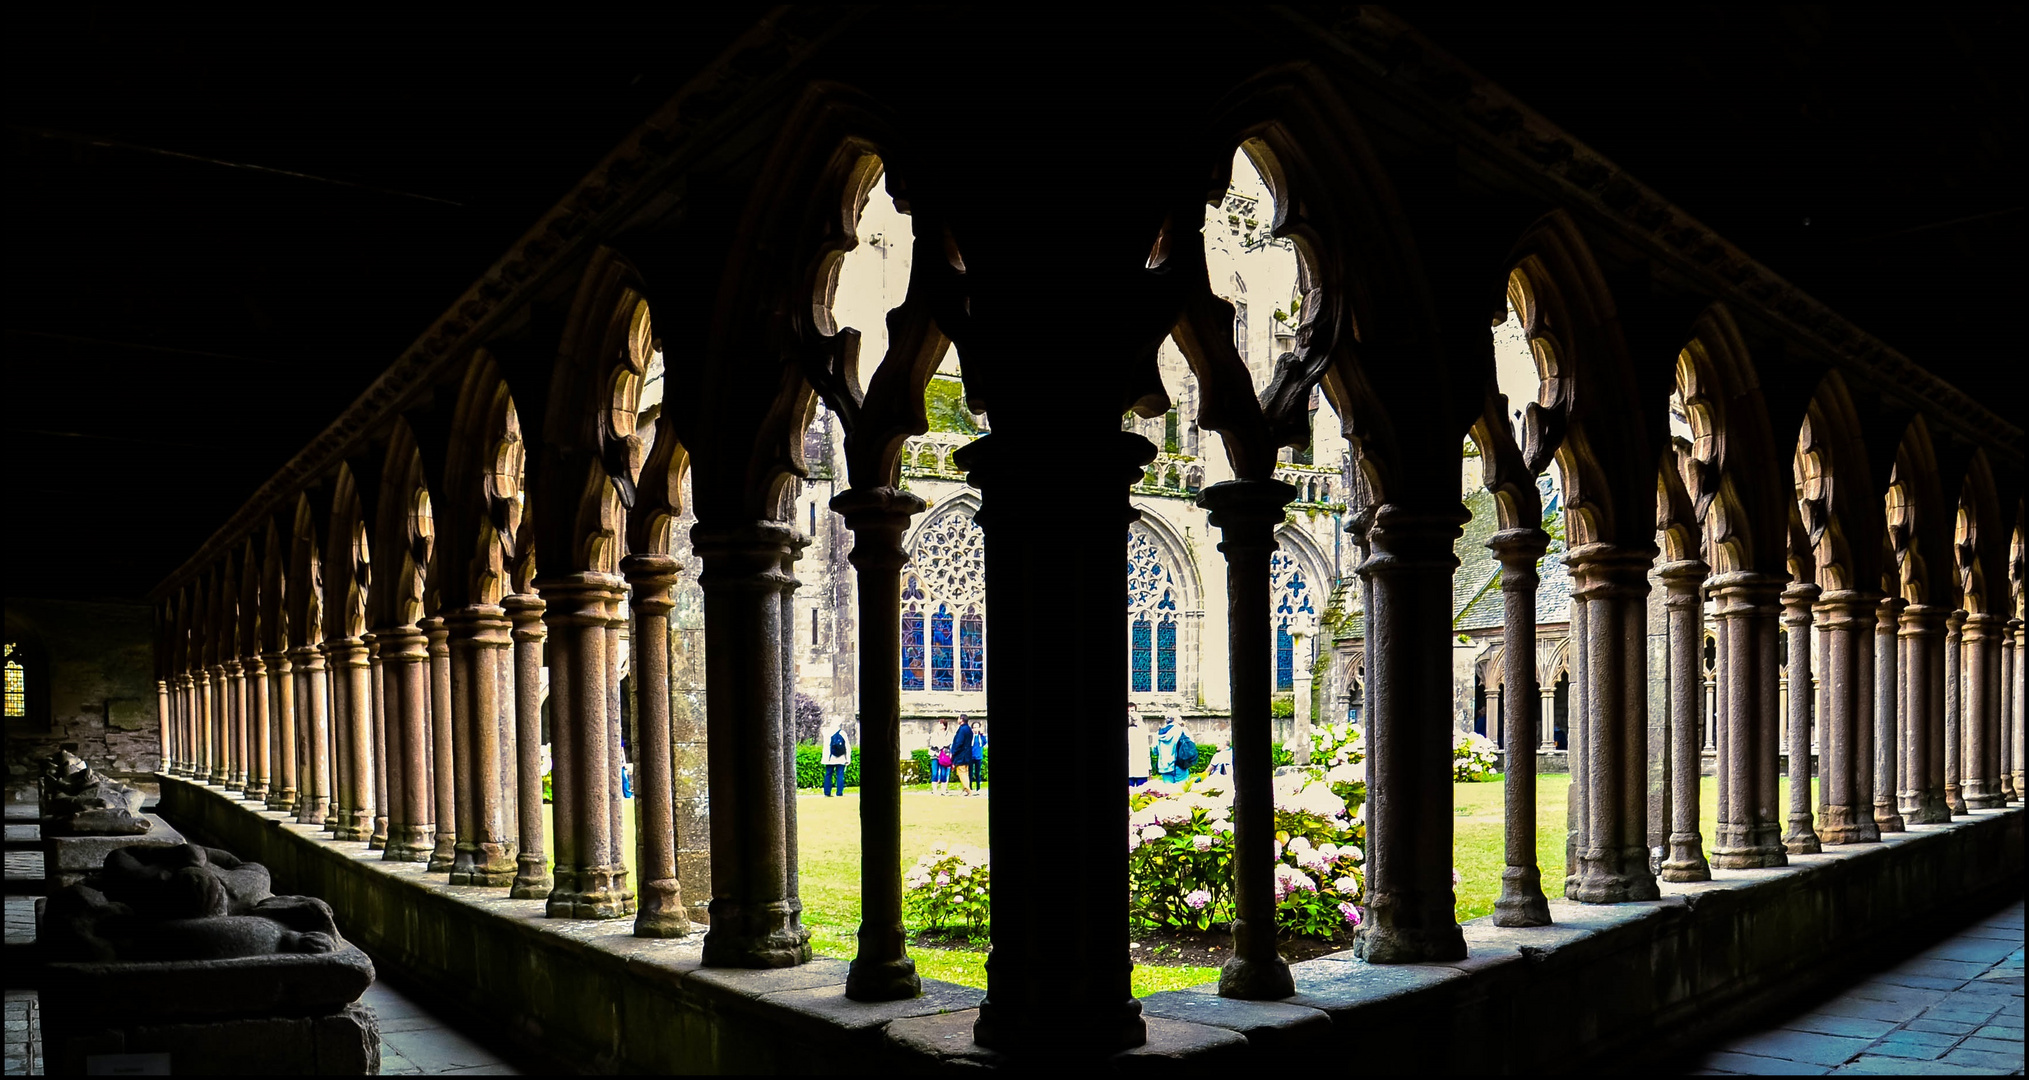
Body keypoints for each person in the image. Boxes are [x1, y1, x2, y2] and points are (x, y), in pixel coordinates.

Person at [1152, 712, 1196, 784]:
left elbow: (1155, 751)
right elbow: (1191, 745)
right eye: (1179, 717)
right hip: (1179, 765)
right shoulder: (1182, 730)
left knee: (1168, 792)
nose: (1181, 719)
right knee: (1181, 791)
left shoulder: (1158, 733)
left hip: (1164, 767)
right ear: (1175, 719)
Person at [822, 717, 852, 797]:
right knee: (840, 775)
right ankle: (839, 793)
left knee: (828, 774)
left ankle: (827, 792)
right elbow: (847, 746)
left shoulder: (827, 733)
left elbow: (826, 747)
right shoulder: (842, 733)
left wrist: (825, 758)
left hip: (829, 758)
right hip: (841, 757)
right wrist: (848, 758)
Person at [950, 713, 976, 797]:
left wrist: (953, 752)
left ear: (961, 719)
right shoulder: (968, 729)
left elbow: (959, 742)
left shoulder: (962, 729)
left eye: (958, 718)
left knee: (961, 773)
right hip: (967, 754)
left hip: (961, 755)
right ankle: (965, 789)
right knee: (965, 772)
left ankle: (968, 789)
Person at [1126, 705, 1150, 787]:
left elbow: (1146, 749)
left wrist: (1148, 767)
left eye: (1132, 711)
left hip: (1140, 767)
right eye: (1128, 711)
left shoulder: (1142, 729)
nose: (1130, 714)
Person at [930, 720, 953, 795]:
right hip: (935, 754)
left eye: (941, 724)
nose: (939, 725)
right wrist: (938, 746)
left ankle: (943, 790)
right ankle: (934, 790)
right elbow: (932, 743)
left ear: (944, 726)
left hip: (944, 756)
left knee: (943, 773)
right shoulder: (934, 734)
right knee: (934, 773)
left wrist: (942, 746)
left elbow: (949, 743)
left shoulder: (948, 734)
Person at [968, 719, 988, 794]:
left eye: (977, 727)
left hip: (978, 757)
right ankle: (970, 787)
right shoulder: (970, 737)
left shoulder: (981, 737)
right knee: (970, 773)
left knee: (977, 773)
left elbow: (984, 742)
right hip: (971, 757)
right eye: (974, 727)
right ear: (972, 728)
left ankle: (978, 788)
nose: (976, 729)